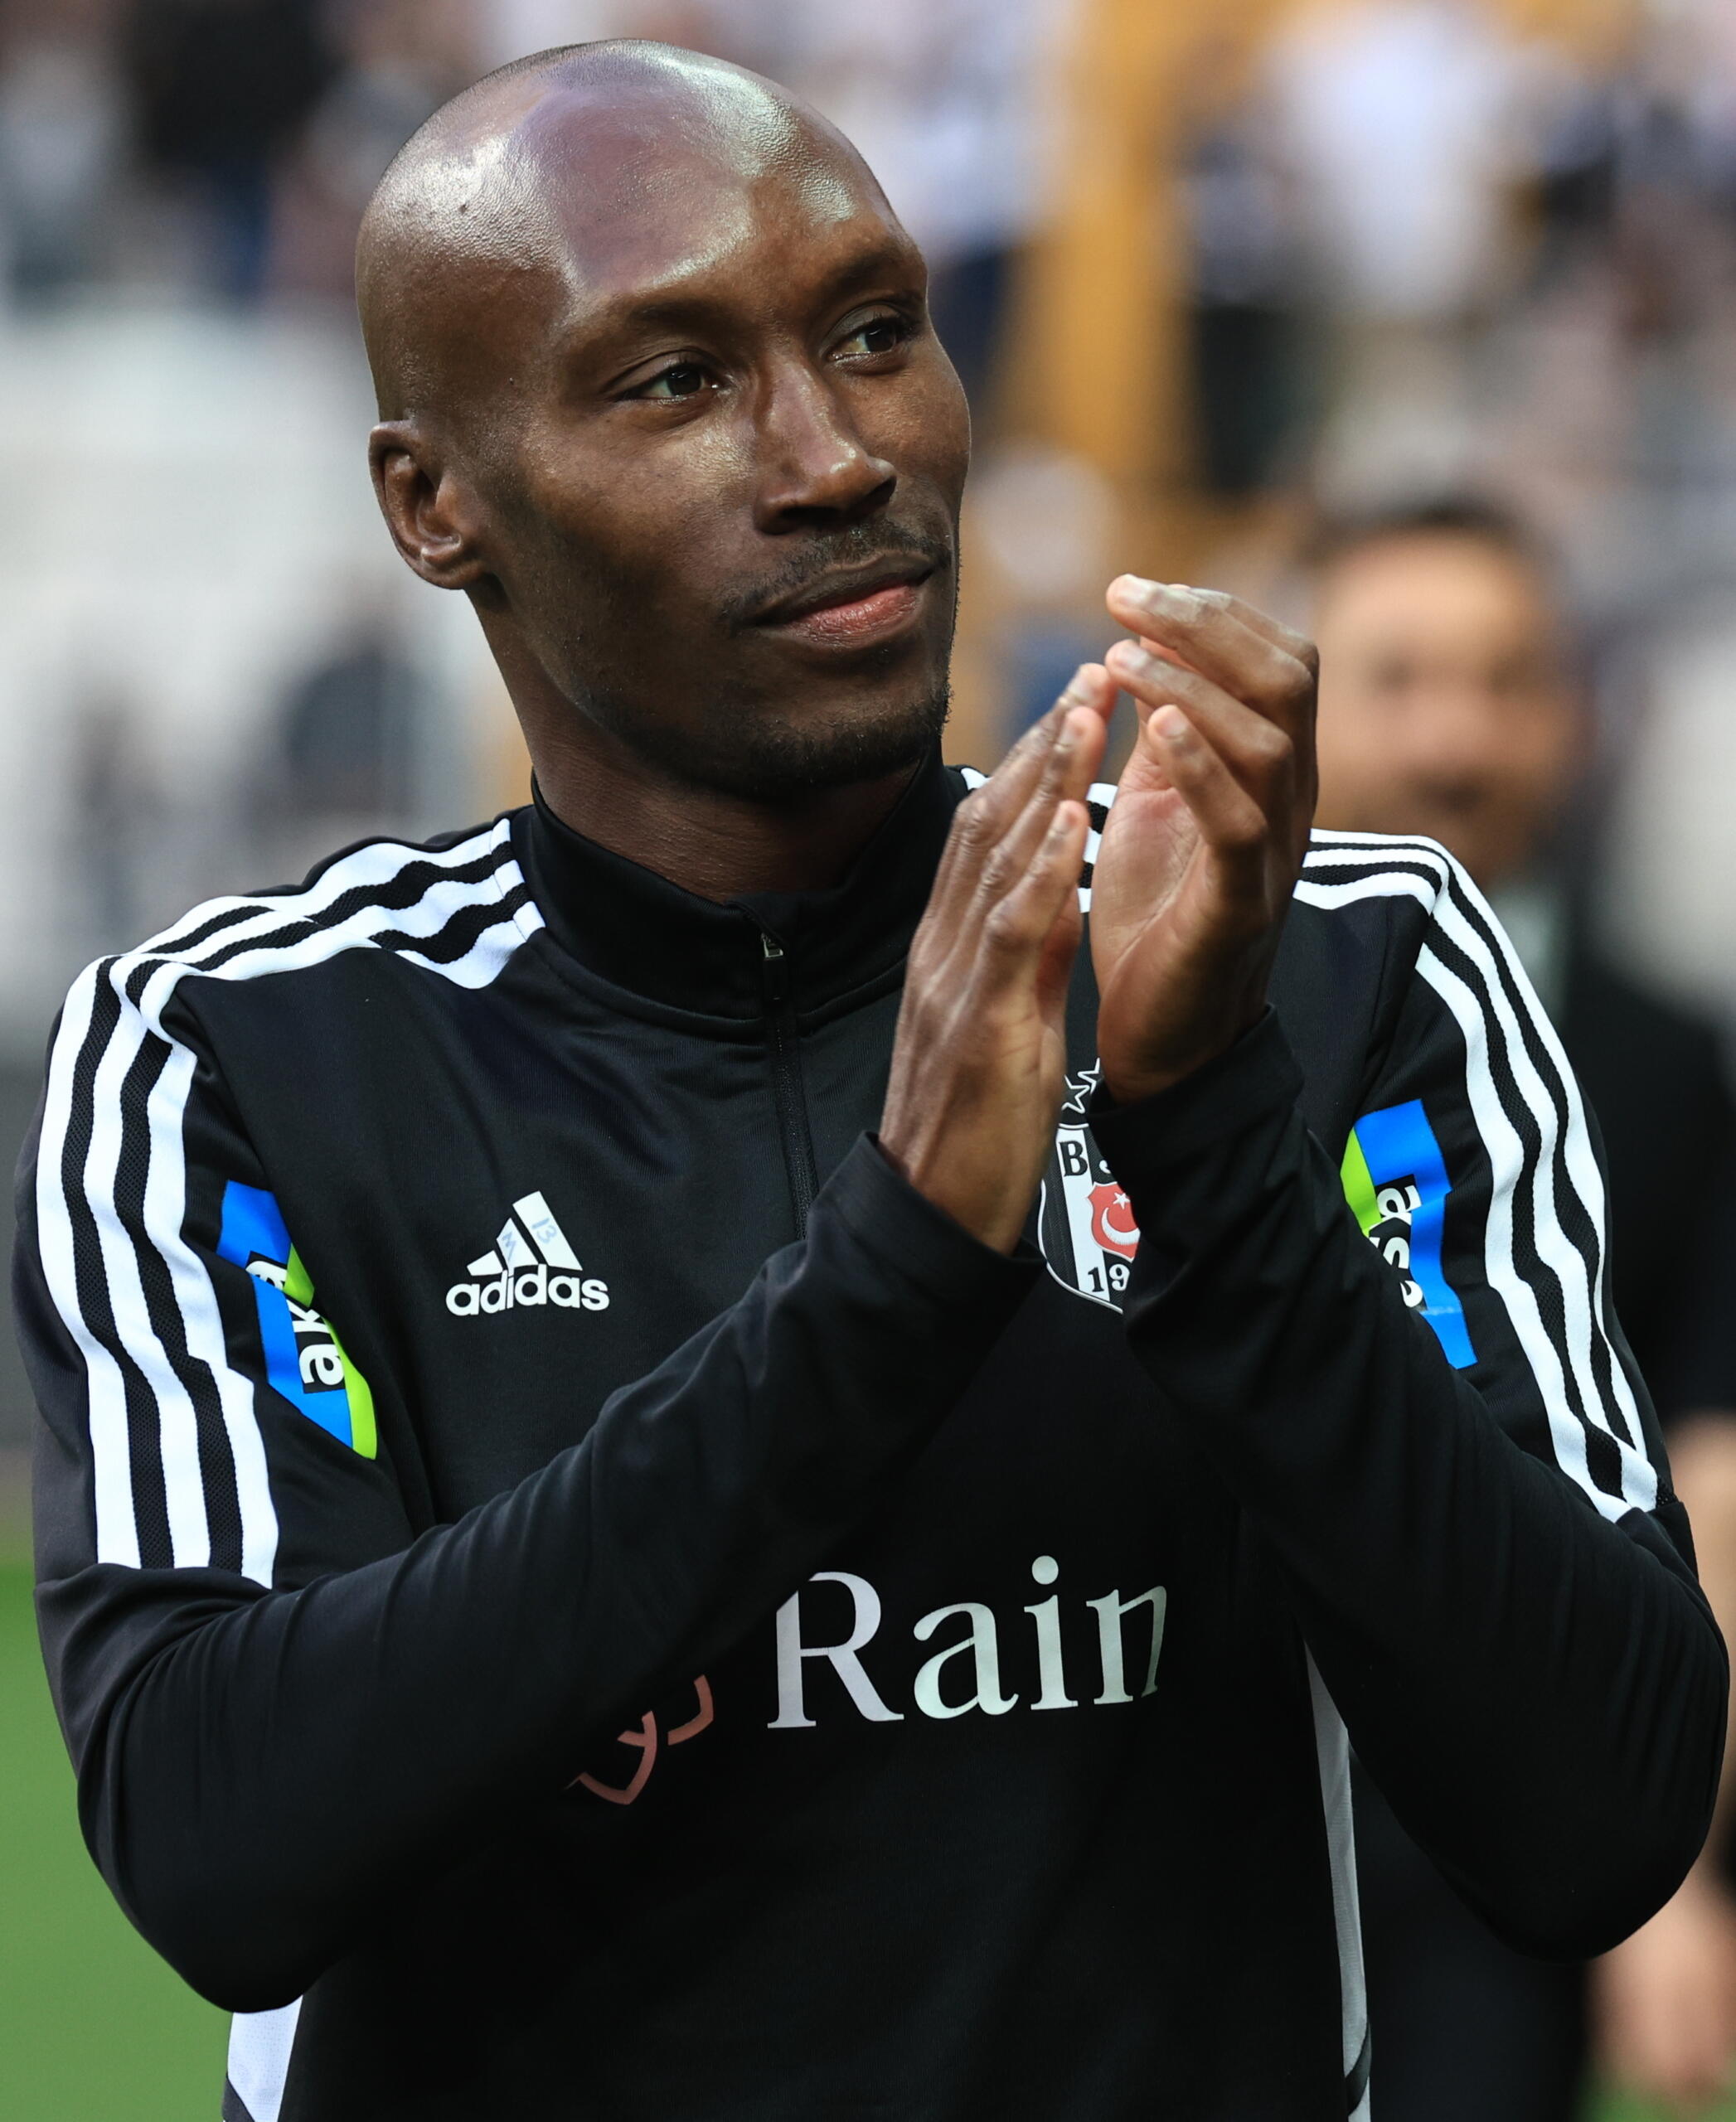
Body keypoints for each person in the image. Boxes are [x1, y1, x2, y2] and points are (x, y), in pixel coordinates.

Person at [15, 47, 1724, 2122]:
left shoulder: (1346, 959)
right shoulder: (238, 1048)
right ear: (435, 500)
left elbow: (1596, 1817)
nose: (834, 454)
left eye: (876, 331)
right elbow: (222, 1837)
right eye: (671, 379)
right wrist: (891, 1274)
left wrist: (1212, 1158)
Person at [1311, 494, 1736, 2120]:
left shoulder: (1653, 1057)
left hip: (1486, 1834)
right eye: (1400, 675)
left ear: (1575, 712)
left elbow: (1703, 1455)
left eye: (1509, 679)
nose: (1457, 734)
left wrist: (1667, 1854)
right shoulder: (1164, 1016)